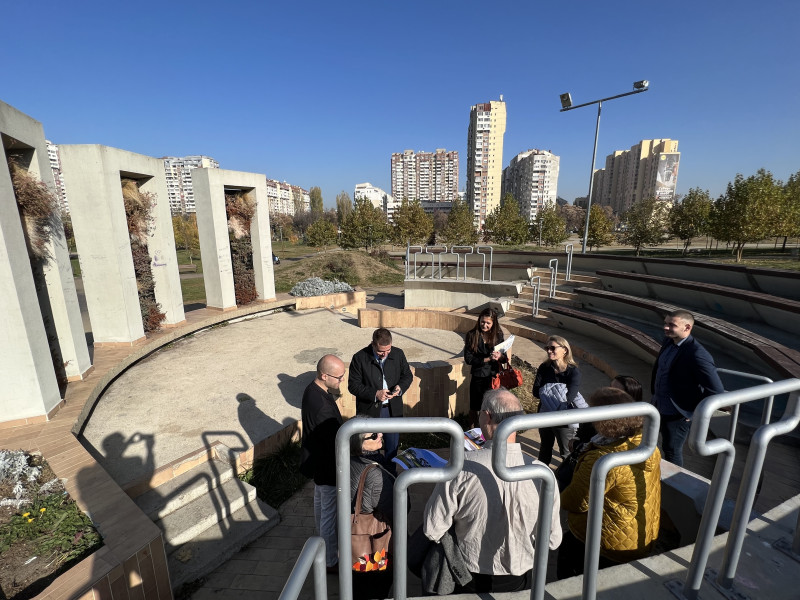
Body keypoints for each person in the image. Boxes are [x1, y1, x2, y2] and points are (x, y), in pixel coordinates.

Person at [421, 388, 562, 594]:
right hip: (521, 575)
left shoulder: (462, 466)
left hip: (469, 573)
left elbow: (432, 528)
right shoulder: (542, 473)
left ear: (486, 416)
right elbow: (553, 539)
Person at [558, 386, 661, 579]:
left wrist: (556, 495)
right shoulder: (645, 445)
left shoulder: (601, 459)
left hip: (604, 544)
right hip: (637, 539)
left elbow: (576, 501)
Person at [651, 310, 724, 466]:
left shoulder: (698, 354)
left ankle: (675, 482)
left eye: (672, 325)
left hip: (678, 412)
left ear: (687, 327)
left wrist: (695, 411)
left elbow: (716, 390)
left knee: (671, 449)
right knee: (649, 441)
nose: (665, 327)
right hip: (658, 404)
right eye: (665, 323)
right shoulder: (669, 341)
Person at [301, 354, 346, 572]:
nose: (341, 381)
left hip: (317, 462)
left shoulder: (312, 390)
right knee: (329, 513)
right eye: (339, 377)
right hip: (327, 465)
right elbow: (335, 439)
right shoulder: (322, 406)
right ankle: (330, 561)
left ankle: (322, 548)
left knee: (320, 505)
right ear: (324, 375)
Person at [348, 328, 413, 467]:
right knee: (369, 449)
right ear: (372, 344)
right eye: (380, 351)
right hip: (370, 410)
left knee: (392, 449)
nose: (385, 354)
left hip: (392, 410)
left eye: (388, 350)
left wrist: (400, 387)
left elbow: (407, 375)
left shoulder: (398, 353)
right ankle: (371, 477)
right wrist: (375, 394)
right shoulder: (359, 358)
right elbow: (353, 386)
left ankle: (391, 477)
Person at [350, 423, 396, 599]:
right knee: (376, 585)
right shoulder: (374, 474)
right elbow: (396, 508)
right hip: (373, 542)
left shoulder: (346, 459)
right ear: (358, 443)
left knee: (359, 584)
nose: (381, 435)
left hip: (353, 536)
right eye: (374, 435)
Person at [533, 335, 582, 466]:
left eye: (552, 348)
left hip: (564, 417)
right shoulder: (544, 368)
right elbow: (535, 392)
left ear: (564, 350)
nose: (549, 351)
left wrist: (548, 390)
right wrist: (558, 390)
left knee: (566, 453)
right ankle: (541, 480)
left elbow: (569, 398)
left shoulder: (573, 372)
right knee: (544, 449)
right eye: (547, 348)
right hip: (545, 414)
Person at [464, 308, 509, 428]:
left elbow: (505, 358)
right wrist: (487, 359)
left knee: (491, 408)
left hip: (493, 377)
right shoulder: (472, 335)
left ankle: (490, 431)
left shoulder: (498, 336)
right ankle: (473, 433)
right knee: (475, 407)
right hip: (478, 376)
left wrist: (500, 356)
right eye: (482, 322)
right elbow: (468, 359)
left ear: (493, 323)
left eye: (488, 323)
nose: (484, 325)